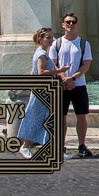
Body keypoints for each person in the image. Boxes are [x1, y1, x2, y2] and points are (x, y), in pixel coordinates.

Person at [16, 28, 68, 159]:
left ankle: (55, 151)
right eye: (48, 38)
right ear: (40, 39)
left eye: (51, 37)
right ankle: (25, 147)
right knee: (37, 119)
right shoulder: (41, 54)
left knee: (47, 120)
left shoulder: (42, 53)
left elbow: (33, 73)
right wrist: (59, 71)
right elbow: (41, 72)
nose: (51, 40)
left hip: (43, 91)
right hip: (43, 92)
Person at [50, 12, 93, 157]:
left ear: (76, 24)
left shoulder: (83, 43)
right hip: (61, 85)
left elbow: (86, 65)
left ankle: (81, 145)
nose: (70, 24)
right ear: (63, 24)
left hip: (78, 85)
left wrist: (72, 79)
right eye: (67, 22)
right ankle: (61, 147)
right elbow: (53, 65)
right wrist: (63, 78)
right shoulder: (56, 44)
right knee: (61, 116)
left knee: (81, 115)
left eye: (73, 22)